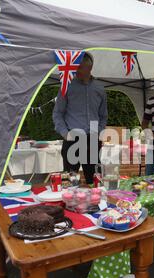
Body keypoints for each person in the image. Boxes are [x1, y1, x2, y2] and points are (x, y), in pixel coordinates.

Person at [53, 53, 108, 184]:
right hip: (72, 138)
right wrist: (65, 134)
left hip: (93, 138)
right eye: (76, 67)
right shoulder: (66, 86)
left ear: (90, 68)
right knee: (70, 182)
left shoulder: (99, 88)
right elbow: (57, 113)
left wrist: (99, 133)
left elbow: (103, 115)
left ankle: (96, 204)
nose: (77, 70)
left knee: (95, 180)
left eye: (81, 67)